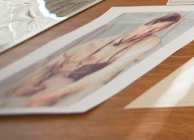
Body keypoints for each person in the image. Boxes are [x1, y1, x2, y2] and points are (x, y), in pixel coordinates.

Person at [2, 12, 183, 108]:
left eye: (157, 30)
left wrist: (58, 93)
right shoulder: (104, 40)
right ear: (143, 25)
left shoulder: (150, 41)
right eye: (152, 27)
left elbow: (109, 72)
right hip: (45, 82)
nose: (151, 32)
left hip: (74, 86)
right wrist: (32, 83)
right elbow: (56, 61)